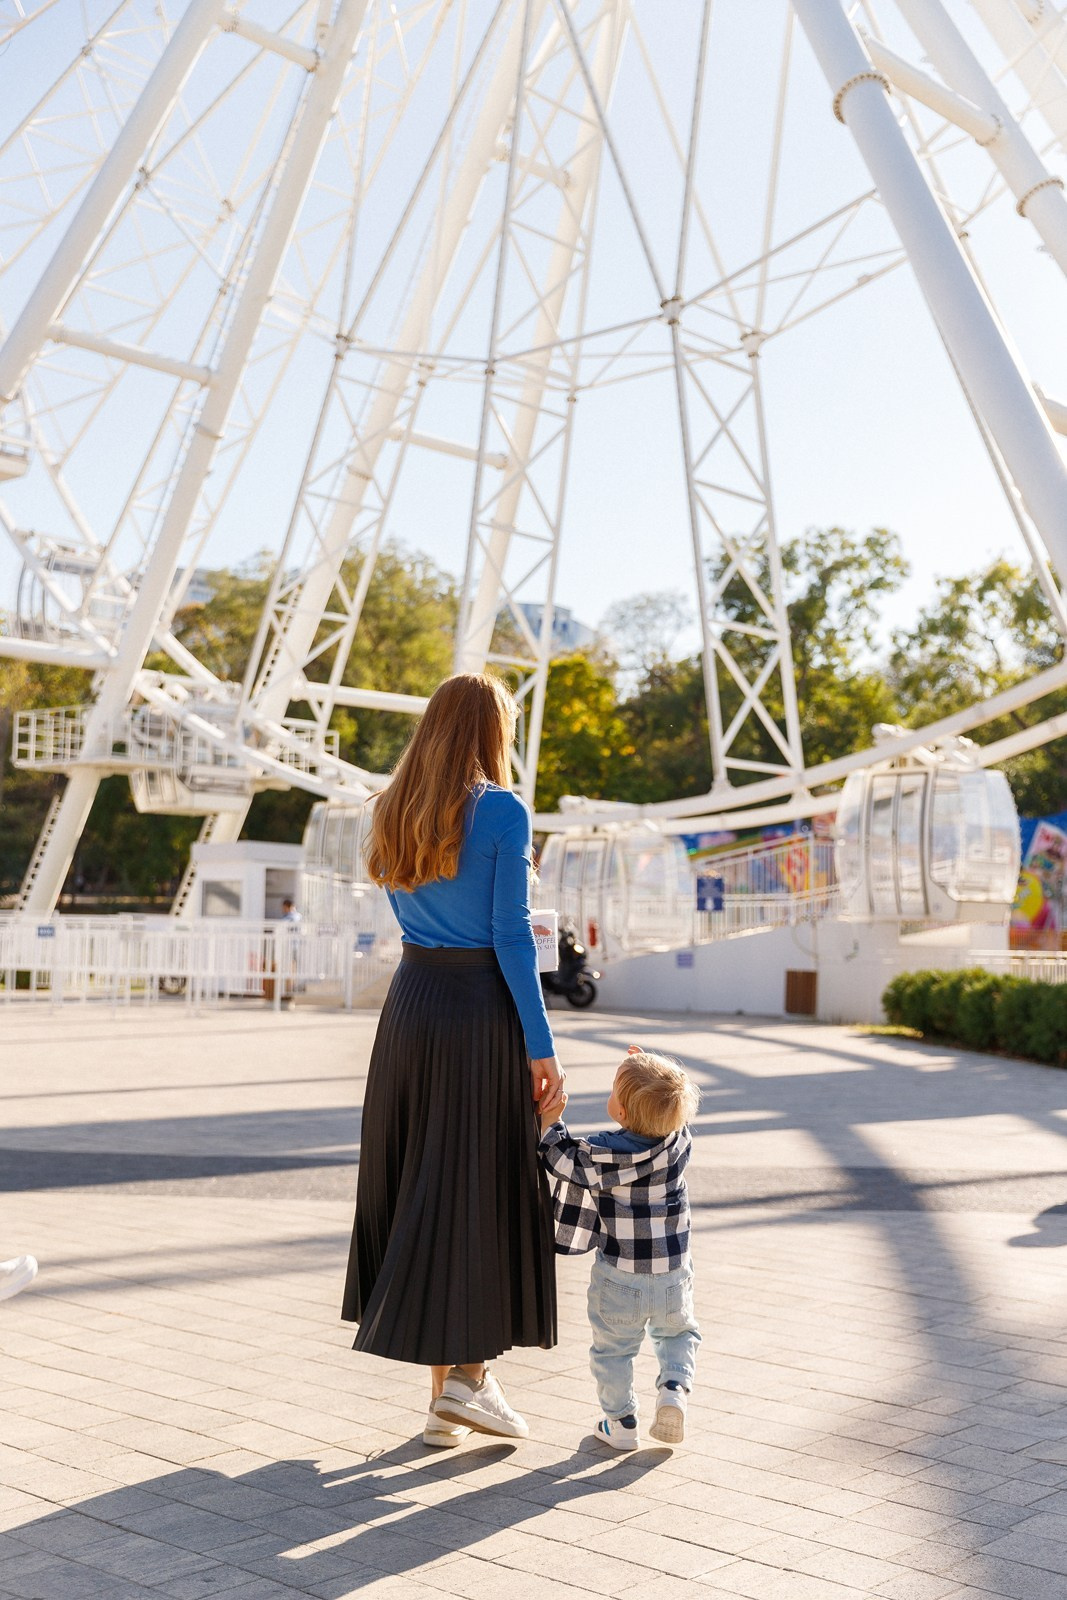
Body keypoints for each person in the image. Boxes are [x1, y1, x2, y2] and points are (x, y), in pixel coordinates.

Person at [341, 673, 565, 1448]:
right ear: (489, 731)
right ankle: (468, 1379)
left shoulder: (389, 808)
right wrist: (541, 1046)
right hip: (476, 1014)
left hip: (410, 1009)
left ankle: (445, 1404)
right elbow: (511, 935)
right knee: (472, 1187)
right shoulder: (501, 810)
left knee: (422, 1183)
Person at [538, 1048, 701, 1450]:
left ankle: (621, 1422)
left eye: (615, 1089)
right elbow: (665, 1105)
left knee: (613, 1352)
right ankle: (674, 1388)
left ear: (623, 1113)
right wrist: (647, 1069)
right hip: (673, 1275)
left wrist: (550, 1123)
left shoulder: (601, 1155)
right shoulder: (679, 1144)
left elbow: (562, 1159)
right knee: (678, 1332)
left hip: (619, 1277)